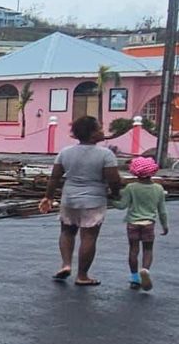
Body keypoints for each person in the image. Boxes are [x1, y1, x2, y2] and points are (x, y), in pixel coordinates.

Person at [38, 116, 123, 286]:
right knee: (89, 236)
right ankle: (82, 275)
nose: (102, 131)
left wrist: (48, 197)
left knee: (67, 231)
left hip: (69, 198)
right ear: (92, 134)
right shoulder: (106, 154)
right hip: (94, 201)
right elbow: (113, 179)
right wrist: (116, 194)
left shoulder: (65, 152)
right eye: (99, 128)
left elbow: (54, 178)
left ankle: (66, 264)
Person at [111, 156, 168, 291]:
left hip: (133, 224)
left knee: (133, 250)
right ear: (153, 171)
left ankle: (135, 277)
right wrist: (165, 225)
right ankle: (145, 270)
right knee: (148, 249)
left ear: (135, 172)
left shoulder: (131, 187)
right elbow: (162, 210)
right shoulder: (159, 189)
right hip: (149, 223)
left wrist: (111, 200)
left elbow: (122, 206)